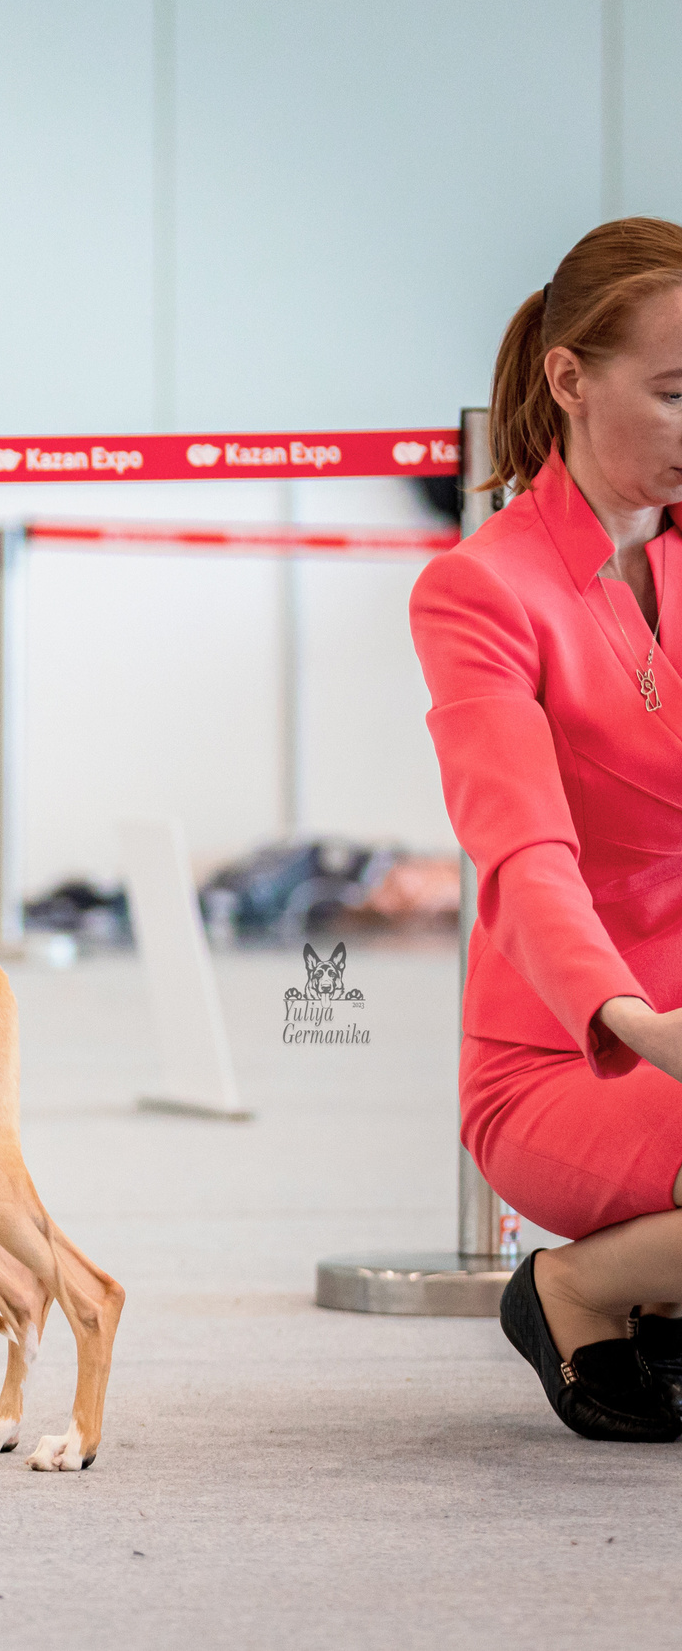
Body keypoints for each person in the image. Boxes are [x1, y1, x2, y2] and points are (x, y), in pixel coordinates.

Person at [411, 215, 682, 1443]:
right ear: (569, 378)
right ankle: (573, 1285)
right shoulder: (481, 587)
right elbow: (523, 857)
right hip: (575, 1053)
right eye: (675, 392)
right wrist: (631, 1021)